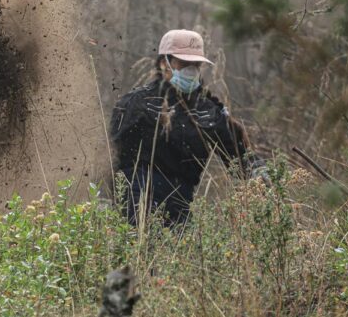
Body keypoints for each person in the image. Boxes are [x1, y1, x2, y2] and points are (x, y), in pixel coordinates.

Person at [110, 29, 264, 226]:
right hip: (136, 203)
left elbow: (239, 156)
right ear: (164, 63)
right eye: (183, 63)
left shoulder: (209, 111)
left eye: (195, 64)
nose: (190, 69)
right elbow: (112, 154)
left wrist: (261, 175)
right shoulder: (137, 104)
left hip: (181, 206)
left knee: (177, 254)